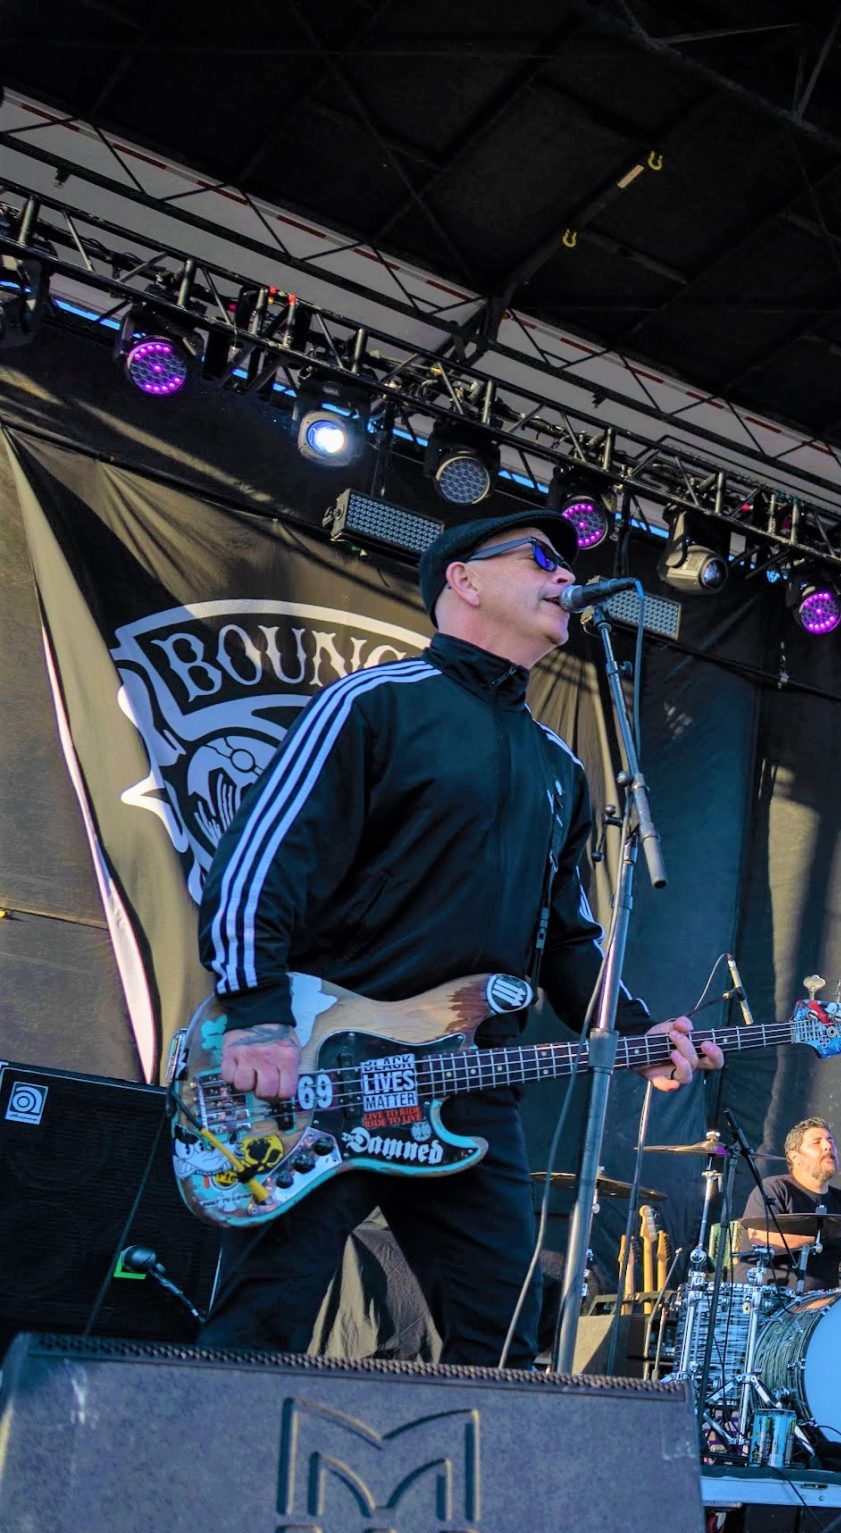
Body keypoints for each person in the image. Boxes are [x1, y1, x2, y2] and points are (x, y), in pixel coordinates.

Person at [193, 511, 721, 1366]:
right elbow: (258, 861)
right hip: (328, 1069)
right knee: (259, 1325)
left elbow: (567, 939)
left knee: (507, 1344)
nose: (564, 576)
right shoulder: (375, 704)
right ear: (464, 581)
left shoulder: (560, 768)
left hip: (465, 1086)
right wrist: (257, 1013)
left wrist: (633, 1033)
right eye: (543, 558)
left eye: (568, 564)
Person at [742, 1118, 841, 1289]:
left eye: (830, 1141)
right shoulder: (774, 1188)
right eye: (816, 1142)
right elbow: (762, 1239)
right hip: (774, 1300)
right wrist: (829, 1231)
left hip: (824, 1305)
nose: (827, 1146)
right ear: (795, 1157)